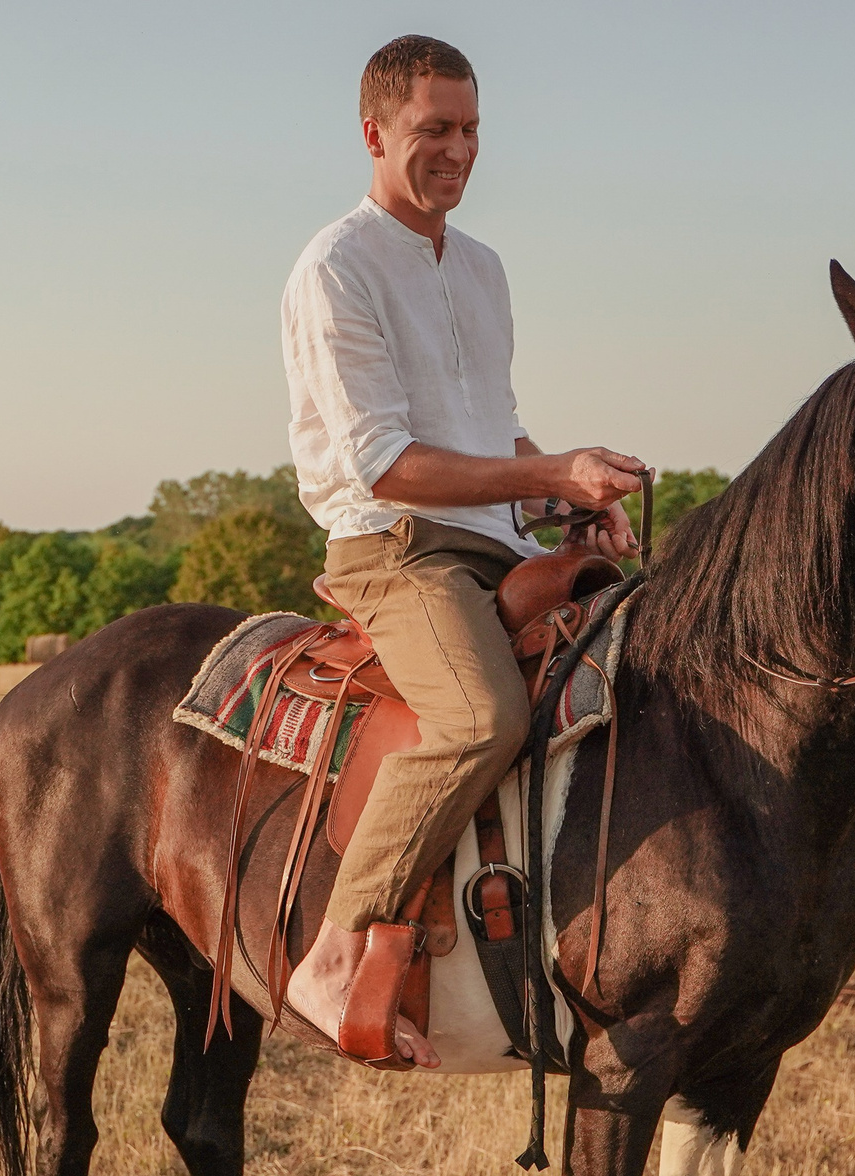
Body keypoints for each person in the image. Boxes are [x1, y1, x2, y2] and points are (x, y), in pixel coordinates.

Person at [278, 34, 648, 1068]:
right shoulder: (335, 266)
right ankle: (338, 948)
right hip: (391, 550)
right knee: (481, 713)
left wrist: (572, 499)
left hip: (492, 544)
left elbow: (497, 427)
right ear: (374, 133)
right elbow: (385, 462)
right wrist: (546, 474)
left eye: (471, 128)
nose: (457, 149)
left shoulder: (482, 268)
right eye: (431, 129)